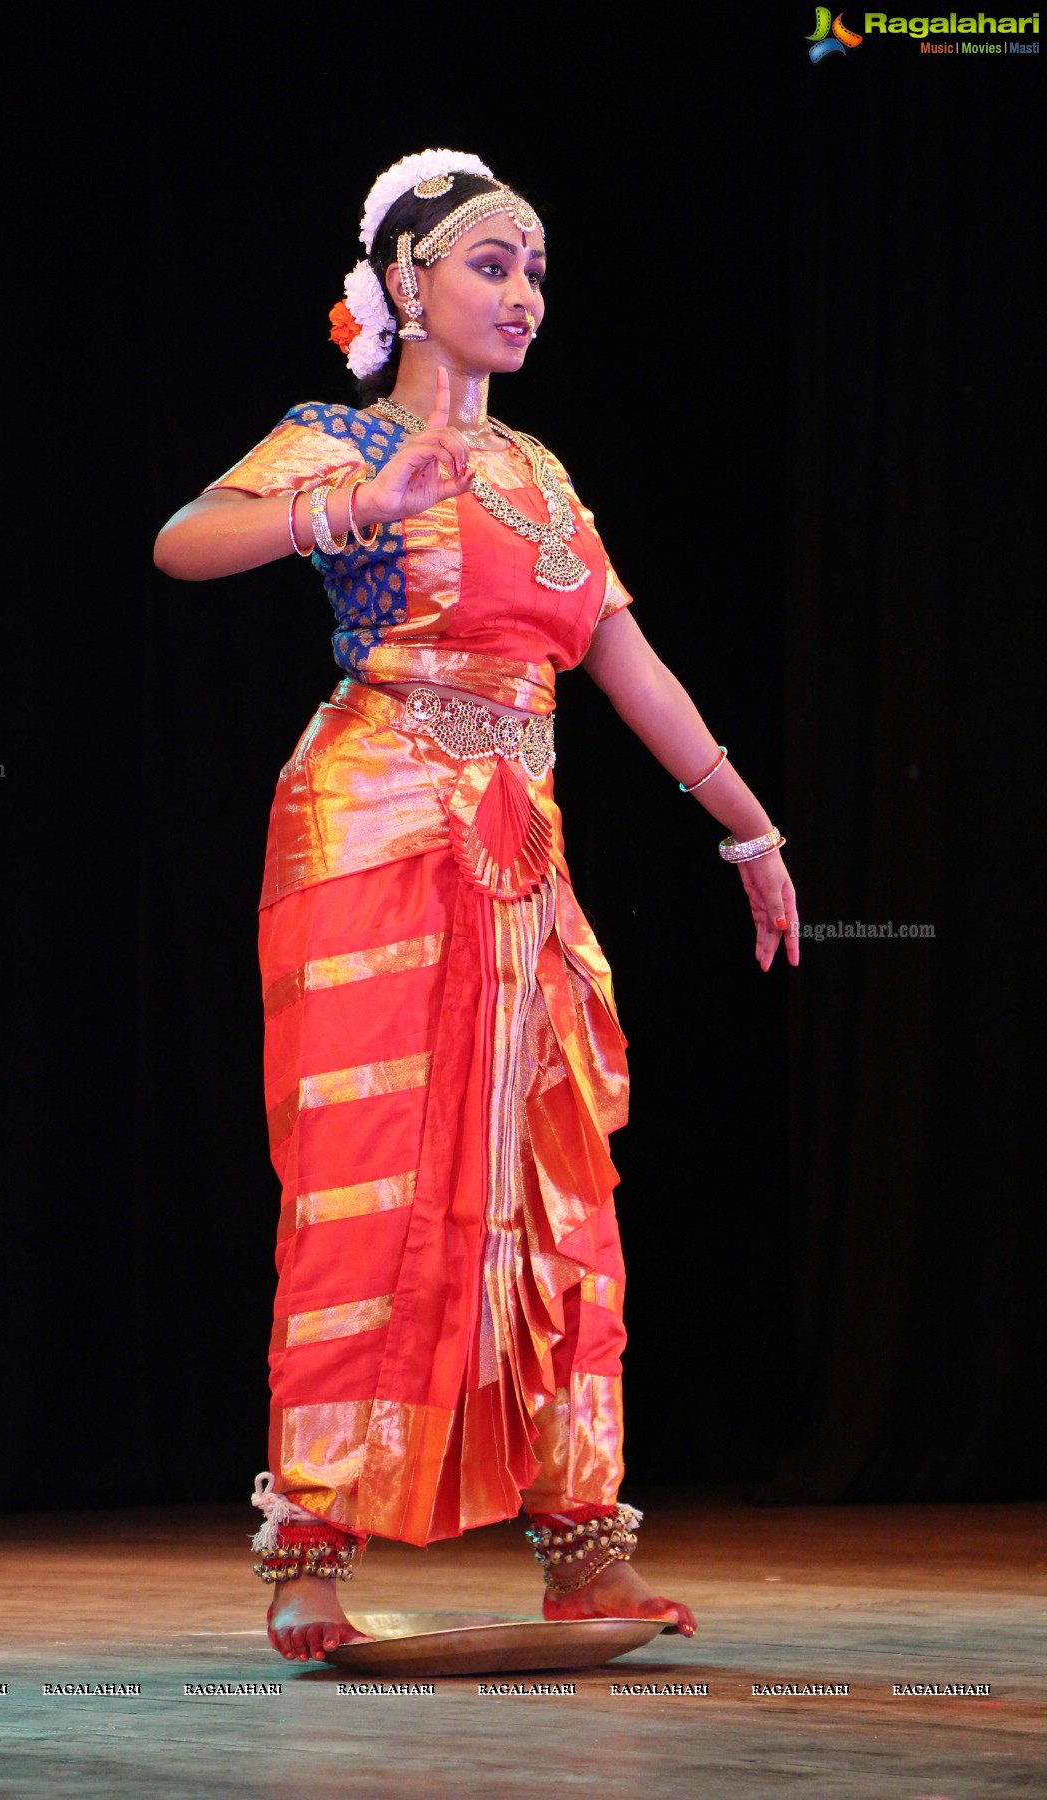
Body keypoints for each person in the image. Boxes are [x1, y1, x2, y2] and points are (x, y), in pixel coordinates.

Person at [154, 148, 798, 1664]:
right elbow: (184, 545)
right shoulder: (338, 437)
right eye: (490, 268)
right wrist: (351, 507)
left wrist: (749, 832)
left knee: (559, 1186)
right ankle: (310, 1546)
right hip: (375, 822)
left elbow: (627, 666)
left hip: (522, 844)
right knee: (370, 1175)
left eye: (534, 273)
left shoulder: (543, 475)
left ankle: (584, 1544)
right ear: (405, 288)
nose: (521, 295)